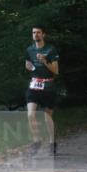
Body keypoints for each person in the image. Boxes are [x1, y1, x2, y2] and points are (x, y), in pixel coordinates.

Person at [24, 26, 59, 155]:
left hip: (48, 86)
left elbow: (56, 71)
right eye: (34, 32)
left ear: (43, 34)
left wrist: (45, 61)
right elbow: (28, 65)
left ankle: (52, 142)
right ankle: (37, 141)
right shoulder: (29, 49)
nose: (36, 35)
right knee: (30, 114)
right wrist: (29, 67)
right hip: (34, 85)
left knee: (47, 117)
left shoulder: (50, 49)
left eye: (38, 32)